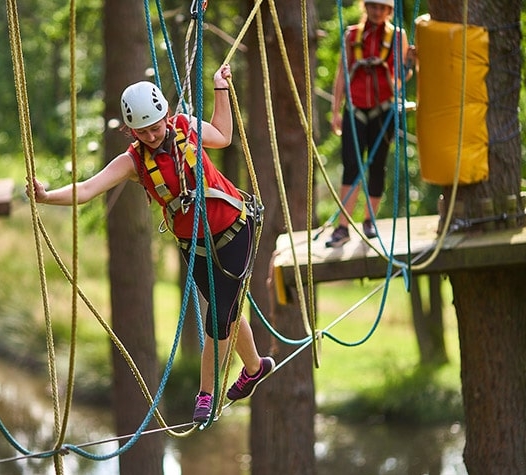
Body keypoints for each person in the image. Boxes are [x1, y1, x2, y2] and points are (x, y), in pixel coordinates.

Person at [27, 64, 274, 424]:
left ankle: (206, 395)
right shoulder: (132, 162)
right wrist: (47, 196)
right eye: (142, 132)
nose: (152, 136)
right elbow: (89, 189)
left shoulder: (187, 128)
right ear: (130, 130)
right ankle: (254, 368)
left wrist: (220, 88)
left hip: (236, 230)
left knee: (219, 318)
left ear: (166, 117)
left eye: (156, 127)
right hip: (196, 246)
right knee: (228, 311)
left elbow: (222, 134)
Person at [326, 0, 412, 247]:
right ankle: (343, 227)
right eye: (373, 7)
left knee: (377, 166)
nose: (377, 12)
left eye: (382, 8)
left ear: (389, 11)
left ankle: (369, 221)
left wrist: (410, 64)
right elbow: (342, 72)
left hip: (383, 109)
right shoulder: (352, 35)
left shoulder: (398, 37)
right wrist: (335, 111)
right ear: (366, 7)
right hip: (355, 108)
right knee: (351, 166)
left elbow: (401, 77)